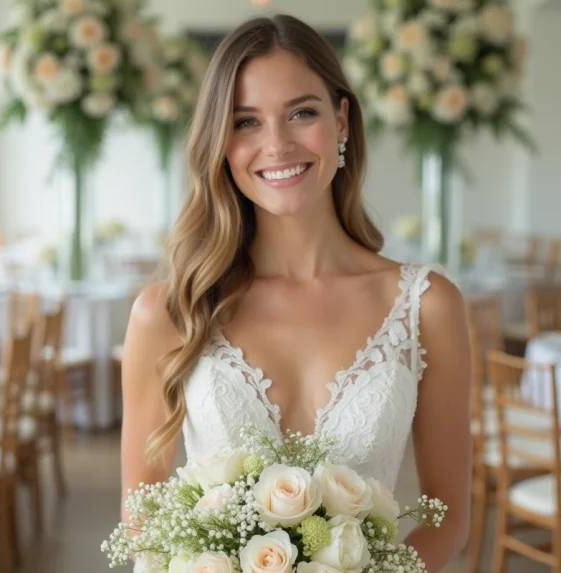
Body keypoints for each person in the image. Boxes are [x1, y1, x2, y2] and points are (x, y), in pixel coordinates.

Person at [119, 13, 471, 572]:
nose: (277, 145)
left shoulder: (427, 305)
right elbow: (142, 518)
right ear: (219, 142)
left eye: (301, 113)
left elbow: (448, 518)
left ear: (342, 120)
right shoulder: (169, 311)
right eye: (246, 122)